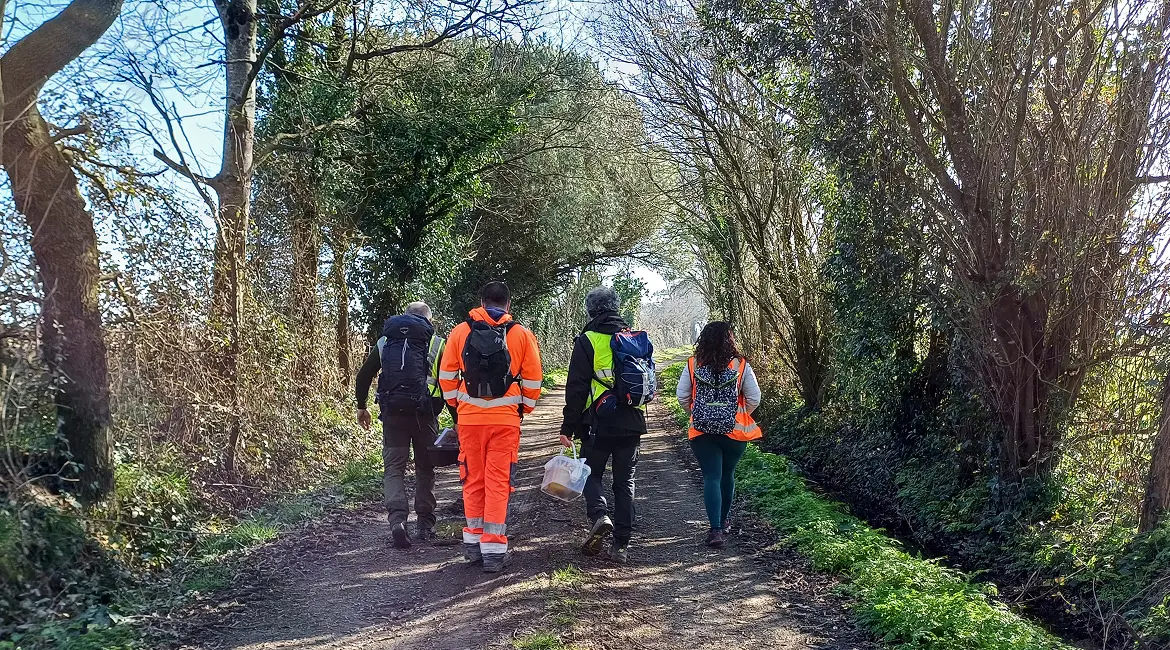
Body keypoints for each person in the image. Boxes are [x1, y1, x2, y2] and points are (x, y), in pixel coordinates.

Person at [439, 282, 543, 572]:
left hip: (470, 421)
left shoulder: (460, 332)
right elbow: (534, 379)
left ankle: (472, 545)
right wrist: (523, 409)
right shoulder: (521, 334)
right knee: (498, 482)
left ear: (481, 302)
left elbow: (446, 377)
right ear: (508, 305)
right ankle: (494, 550)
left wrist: (457, 410)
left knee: (472, 480)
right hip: (505, 422)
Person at [355, 301, 454, 549]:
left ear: (405, 316)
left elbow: (364, 375)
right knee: (425, 468)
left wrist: (362, 406)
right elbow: (449, 384)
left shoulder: (385, 342)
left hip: (392, 414)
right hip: (426, 415)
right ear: (429, 321)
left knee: (394, 469)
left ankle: (397, 521)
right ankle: (425, 525)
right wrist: (457, 420)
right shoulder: (437, 344)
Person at [560, 286, 648, 563]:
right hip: (632, 421)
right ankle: (621, 546)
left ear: (591, 310)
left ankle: (600, 515)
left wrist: (568, 427)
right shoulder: (633, 336)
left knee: (589, 474)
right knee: (625, 483)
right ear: (616, 307)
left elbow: (576, 386)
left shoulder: (588, 340)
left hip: (597, 421)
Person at [677, 321, 762, 548]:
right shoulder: (741, 365)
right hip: (734, 432)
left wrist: (698, 413)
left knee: (711, 477)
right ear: (730, 339)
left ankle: (715, 530)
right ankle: (724, 522)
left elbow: (682, 396)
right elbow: (754, 398)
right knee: (728, 475)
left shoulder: (693, 364)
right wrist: (736, 414)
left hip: (702, 431)